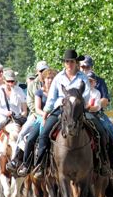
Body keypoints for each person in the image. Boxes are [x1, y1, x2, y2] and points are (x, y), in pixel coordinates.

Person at [33, 49, 91, 178]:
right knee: (43, 134)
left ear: (76, 63)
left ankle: (106, 162)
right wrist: (46, 113)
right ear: (64, 63)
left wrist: (84, 105)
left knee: (100, 131)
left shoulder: (83, 78)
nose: (69, 64)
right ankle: (41, 165)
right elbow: (52, 98)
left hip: (78, 110)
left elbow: (86, 95)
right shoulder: (58, 78)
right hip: (60, 110)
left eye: (71, 61)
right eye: (67, 61)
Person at [80, 55, 113, 174]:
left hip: (96, 113)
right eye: (82, 66)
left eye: (87, 66)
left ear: (91, 67)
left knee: (109, 129)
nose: (84, 69)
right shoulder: (76, 81)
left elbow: (105, 100)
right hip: (77, 113)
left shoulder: (99, 81)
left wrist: (95, 105)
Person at [14, 68, 58, 177]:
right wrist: (44, 115)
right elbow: (37, 108)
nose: (50, 80)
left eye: (52, 78)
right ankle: (26, 164)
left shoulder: (58, 92)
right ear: (43, 79)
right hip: (40, 118)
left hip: (56, 117)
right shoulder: (39, 92)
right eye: (48, 78)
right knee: (30, 139)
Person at [6, 62, 48, 171]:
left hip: (52, 115)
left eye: (45, 70)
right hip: (35, 115)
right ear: (37, 72)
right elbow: (30, 103)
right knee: (22, 134)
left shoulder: (52, 81)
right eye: (41, 71)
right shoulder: (32, 85)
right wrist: (39, 114)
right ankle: (18, 160)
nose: (43, 73)